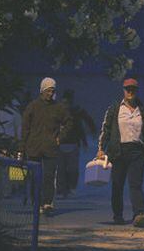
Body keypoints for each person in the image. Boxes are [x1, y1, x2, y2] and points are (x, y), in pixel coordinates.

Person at [97, 78, 144, 227]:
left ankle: (139, 214)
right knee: (117, 184)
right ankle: (118, 215)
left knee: (135, 184)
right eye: (127, 89)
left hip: (137, 152)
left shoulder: (142, 110)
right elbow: (106, 129)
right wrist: (100, 148)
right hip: (118, 151)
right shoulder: (115, 108)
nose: (130, 92)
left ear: (136, 91)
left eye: (133, 89)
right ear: (123, 90)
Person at [18, 77, 72, 214]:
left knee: (48, 176)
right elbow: (25, 128)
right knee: (34, 177)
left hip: (50, 148)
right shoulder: (32, 106)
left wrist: (61, 137)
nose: (50, 94)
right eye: (48, 91)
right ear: (42, 90)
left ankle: (47, 203)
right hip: (33, 147)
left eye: (52, 91)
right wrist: (22, 148)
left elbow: (69, 122)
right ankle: (36, 202)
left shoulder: (58, 107)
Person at [57, 89, 96, 198]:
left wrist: (88, 137)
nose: (65, 105)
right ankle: (62, 189)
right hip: (60, 143)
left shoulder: (76, 112)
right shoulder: (58, 112)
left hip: (72, 144)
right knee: (61, 168)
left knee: (71, 168)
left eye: (67, 102)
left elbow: (83, 125)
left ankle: (70, 188)